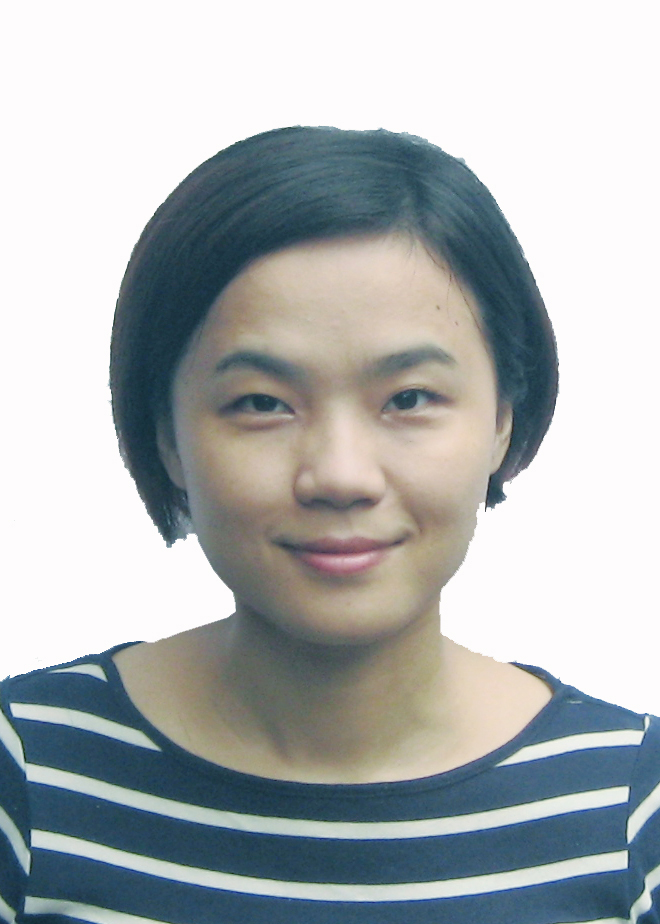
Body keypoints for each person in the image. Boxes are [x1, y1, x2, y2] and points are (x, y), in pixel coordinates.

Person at [1, 126, 658, 924]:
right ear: (168, 436)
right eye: (262, 403)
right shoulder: (27, 770)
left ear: (502, 422)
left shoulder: (629, 802)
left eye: (409, 399)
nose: (341, 475)